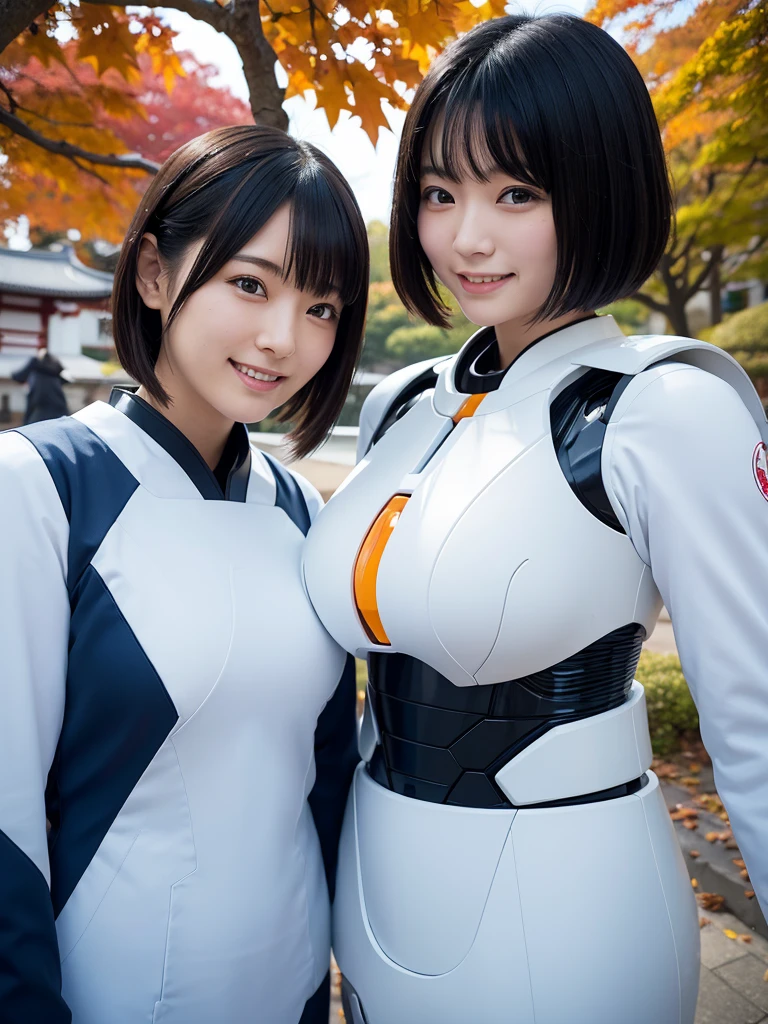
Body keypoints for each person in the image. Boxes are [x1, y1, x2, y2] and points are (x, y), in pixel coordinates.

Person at [303, 14, 768, 1024]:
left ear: (598, 187)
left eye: (516, 192)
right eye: (439, 192)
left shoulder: (661, 407)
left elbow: (759, 723)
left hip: (566, 898)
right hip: (375, 875)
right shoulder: (404, 401)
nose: (467, 236)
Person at [0, 124, 368, 1024]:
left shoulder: (302, 513)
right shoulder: (40, 488)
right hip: (106, 992)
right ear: (156, 274)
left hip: (291, 985)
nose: (283, 338)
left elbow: (323, 778)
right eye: (250, 284)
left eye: (321, 307)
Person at [11, 348, 69, 423]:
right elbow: (67, 379)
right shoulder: (55, 373)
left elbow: (18, 377)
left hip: (40, 410)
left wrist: (34, 360)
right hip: (59, 411)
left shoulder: (36, 369)